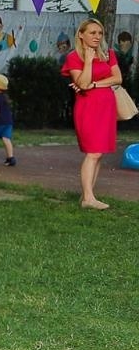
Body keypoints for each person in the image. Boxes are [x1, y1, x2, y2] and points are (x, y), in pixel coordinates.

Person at [63, 19, 122, 210]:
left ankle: (88, 195)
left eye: (100, 33)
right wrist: (88, 61)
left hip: (106, 106)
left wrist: (96, 84)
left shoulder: (108, 54)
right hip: (88, 107)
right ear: (81, 34)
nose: (97, 37)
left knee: (99, 153)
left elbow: (118, 78)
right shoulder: (74, 57)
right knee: (93, 152)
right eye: (92, 33)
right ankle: (88, 198)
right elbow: (82, 83)